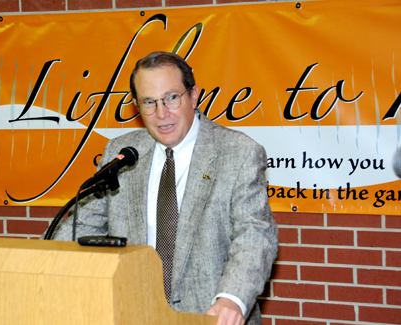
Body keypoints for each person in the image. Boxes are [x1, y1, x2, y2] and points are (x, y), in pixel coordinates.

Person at [50, 51, 278, 325]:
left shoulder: (238, 152)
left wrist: (232, 298)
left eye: (171, 97)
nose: (161, 114)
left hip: (211, 317)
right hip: (135, 313)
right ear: (136, 106)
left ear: (193, 96)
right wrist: (38, 265)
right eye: (149, 102)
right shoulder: (122, 153)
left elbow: (255, 235)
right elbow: (80, 226)